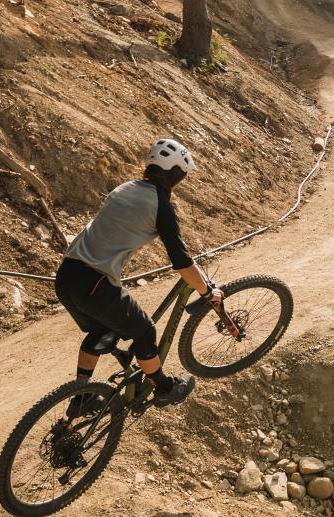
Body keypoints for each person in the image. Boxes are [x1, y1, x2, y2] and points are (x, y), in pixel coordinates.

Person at [54, 139, 222, 413]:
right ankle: (165, 388)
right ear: (176, 174)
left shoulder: (126, 187)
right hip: (95, 282)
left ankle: (82, 397)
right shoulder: (160, 205)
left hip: (66, 276)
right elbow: (180, 261)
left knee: (102, 330)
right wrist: (206, 292)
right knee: (144, 330)